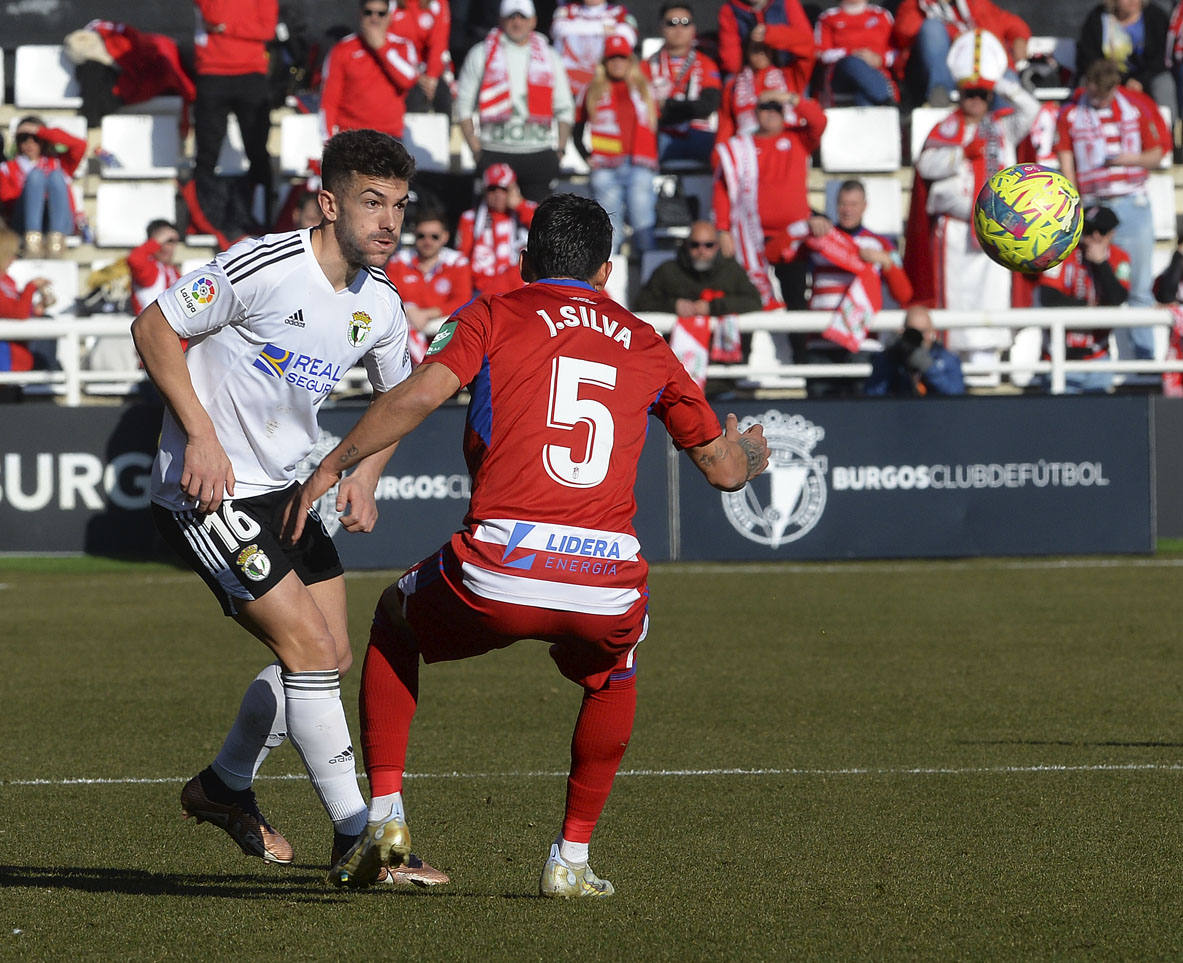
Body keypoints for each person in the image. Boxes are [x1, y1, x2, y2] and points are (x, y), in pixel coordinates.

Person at [284, 192, 771, 896]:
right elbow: (724, 470)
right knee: (615, 671)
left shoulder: (492, 312)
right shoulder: (643, 338)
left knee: (394, 618)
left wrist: (334, 464)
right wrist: (751, 452)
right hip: (604, 578)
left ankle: (385, 820)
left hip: (498, 566)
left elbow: (420, 394)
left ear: (524, 259)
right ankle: (570, 861)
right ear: (606, 271)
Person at [130, 129, 442, 886]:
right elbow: (154, 327)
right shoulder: (267, 265)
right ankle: (359, 838)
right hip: (210, 490)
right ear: (330, 203)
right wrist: (200, 437)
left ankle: (223, 784)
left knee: (329, 656)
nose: (389, 223)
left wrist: (363, 475)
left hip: (287, 488)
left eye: (399, 205)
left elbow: (400, 399)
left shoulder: (383, 305)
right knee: (307, 650)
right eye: (373, 203)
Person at [903, 30, 1039, 380]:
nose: (976, 100)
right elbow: (926, 166)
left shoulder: (1002, 127)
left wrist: (1001, 81)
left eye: (982, 93)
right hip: (957, 230)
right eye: (970, 93)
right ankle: (954, 372)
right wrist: (960, 154)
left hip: (998, 230)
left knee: (992, 302)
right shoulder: (946, 127)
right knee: (957, 303)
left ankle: (988, 369)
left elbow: (1031, 109)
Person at [1056, 58, 1170, 364]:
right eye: (1093, 94)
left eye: (1103, 96)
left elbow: (1159, 153)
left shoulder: (1137, 104)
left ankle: (1145, 367)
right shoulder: (1070, 113)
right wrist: (1073, 206)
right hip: (1093, 209)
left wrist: (1126, 160)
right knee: (1093, 289)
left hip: (1131, 206)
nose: (1097, 102)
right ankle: (1090, 361)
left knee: (1139, 291)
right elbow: (1067, 163)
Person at [796, 179, 913, 397]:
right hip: (821, 343)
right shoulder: (820, 237)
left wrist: (886, 263)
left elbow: (904, 294)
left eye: (853, 204)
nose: (847, 210)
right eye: (843, 204)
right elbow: (776, 254)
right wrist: (805, 226)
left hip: (862, 344)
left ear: (865, 206)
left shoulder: (881, 244)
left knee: (861, 415)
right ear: (835, 204)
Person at [713, 88, 826, 309]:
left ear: (785, 112)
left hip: (793, 238)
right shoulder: (739, 147)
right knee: (748, 304)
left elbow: (819, 121)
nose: (771, 112)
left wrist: (788, 97)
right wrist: (722, 229)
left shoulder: (799, 138)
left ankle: (799, 345)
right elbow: (722, 189)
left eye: (777, 108)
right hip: (749, 238)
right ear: (756, 112)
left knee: (796, 302)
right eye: (766, 107)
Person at [456, 0, 576, 202]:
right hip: (494, 151)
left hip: (538, 154)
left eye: (523, 17)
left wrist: (560, 150)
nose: (517, 22)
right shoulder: (481, 53)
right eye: (512, 16)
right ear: (501, 19)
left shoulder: (550, 56)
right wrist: (477, 151)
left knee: (539, 224)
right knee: (491, 225)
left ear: (534, 21)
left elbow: (565, 108)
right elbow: (463, 106)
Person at [192, 0, 278, 241]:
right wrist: (234, 26)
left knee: (258, 153)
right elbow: (212, 15)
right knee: (206, 155)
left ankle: (260, 220)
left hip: (251, 75)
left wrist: (227, 27)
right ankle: (207, 221)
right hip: (212, 72)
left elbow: (267, 30)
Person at [576, 33, 659, 257]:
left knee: (644, 227)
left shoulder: (644, 89)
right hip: (605, 168)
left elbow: (655, 126)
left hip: (640, 165)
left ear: (630, 61)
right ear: (605, 62)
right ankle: (607, 288)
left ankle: (649, 283)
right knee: (610, 233)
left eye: (622, 58)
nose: (617, 63)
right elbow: (577, 128)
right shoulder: (592, 90)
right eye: (612, 58)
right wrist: (586, 156)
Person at [1037, 204, 1130, 394]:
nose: (1095, 236)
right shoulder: (1061, 253)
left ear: (1111, 234)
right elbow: (1048, 297)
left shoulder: (1120, 257)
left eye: (1101, 231)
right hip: (1060, 355)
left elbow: (1117, 298)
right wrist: (1088, 308)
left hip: (1097, 356)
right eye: (1088, 230)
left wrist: (1101, 264)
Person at [890, 0, 1030, 108]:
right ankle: (941, 95)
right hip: (945, 75)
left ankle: (1004, 133)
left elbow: (1008, 21)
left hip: (983, 72)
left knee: (1008, 79)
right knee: (932, 27)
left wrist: (1019, 38)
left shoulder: (975, 4)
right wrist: (954, 33)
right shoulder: (915, 5)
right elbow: (905, 31)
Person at [63, 19, 196, 129]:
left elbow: (179, 80)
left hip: (165, 76)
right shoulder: (96, 61)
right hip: (148, 82)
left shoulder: (142, 47)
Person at [321, 0, 420, 141]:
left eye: (381, 13)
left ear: (390, 16)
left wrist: (381, 47)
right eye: (368, 13)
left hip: (390, 137)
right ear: (360, 15)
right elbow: (328, 101)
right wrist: (328, 141)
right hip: (351, 136)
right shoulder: (342, 49)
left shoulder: (403, 46)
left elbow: (408, 79)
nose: (374, 18)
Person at [385, 208, 474, 361]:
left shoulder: (457, 262)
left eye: (434, 236)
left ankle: (422, 373)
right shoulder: (399, 261)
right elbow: (390, 297)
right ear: (414, 236)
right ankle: (423, 372)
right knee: (405, 325)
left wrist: (428, 314)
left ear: (445, 237)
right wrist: (409, 309)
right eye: (421, 236)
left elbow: (463, 301)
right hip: (410, 325)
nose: (427, 242)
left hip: (444, 325)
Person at [644, 3, 723, 168]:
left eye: (685, 23)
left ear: (693, 28)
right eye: (671, 23)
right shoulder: (646, 65)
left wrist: (668, 106)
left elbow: (708, 106)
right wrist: (685, 108)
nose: (679, 28)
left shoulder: (706, 63)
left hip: (698, 135)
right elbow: (643, 108)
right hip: (660, 134)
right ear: (661, 28)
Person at [1077, 0, 1174, 131]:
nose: (1133, 1)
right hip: (1108, 77)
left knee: (1164, 83)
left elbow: (1162, 56)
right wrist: (1116, 79)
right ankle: (1085, 132)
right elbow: (1089, 57)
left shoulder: (1154, 15)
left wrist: (1140, 80)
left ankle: (1169, 134)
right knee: (1088, 84)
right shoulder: (1097, 17)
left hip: (1147, 76)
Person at [0, 116, 88, 259]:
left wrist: (41, 131)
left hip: (58, 221)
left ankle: (56, 243)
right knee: (36, 177)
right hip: (24, 223)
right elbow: (8, 202)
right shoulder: (7, 169)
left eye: (35, 138)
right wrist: (33, 192)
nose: (30, 143)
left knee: (55, 177)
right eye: (24, 138)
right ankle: (32, 243)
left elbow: (80, 145)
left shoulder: (59, 163)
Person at [635, 221, 763, 316]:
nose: (701, 251)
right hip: (676, 350)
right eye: (695, 245)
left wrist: (712, 307)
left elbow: (754, 302)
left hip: (724, 349)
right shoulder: (668, 271)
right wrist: (674, 306)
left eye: (708, 245)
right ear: (686, 245)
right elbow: (641, 303)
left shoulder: (732, 270)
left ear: (717, 246)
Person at [457, 163, 537, 296]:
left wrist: (519, 205)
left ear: (513, 190)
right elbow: (462, 260)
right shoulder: (470, 218)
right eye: (492, 189)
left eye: (504, 189)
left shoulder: (528, 210)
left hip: (518, 290)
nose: (498, 194)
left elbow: (544, 228)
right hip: (482, 291)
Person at [865, 304, 965, 396]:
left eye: (923, 332)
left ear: (932, 331)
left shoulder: (947, 359)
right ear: (903, 332)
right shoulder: (889, 359)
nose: (919, 338)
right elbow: (872, 395)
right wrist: (890, 360)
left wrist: (929, 369)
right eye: (913, 333)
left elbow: (956, 395)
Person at [550, 0, 639, 104]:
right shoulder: (567, 10)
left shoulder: (619, 11)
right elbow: (558, 30)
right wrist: (602, 28)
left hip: (604, 87)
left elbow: (628, 36)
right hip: (568, 88)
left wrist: (576, 27)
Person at [814, 0, 899, 108]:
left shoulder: (882, 15)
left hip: (876, 73)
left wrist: (880, 59)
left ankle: (882, 101)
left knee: (864, 97)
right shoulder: (828, 18)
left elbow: (896, 52)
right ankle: (885, 98)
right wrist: (852, 53)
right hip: (841, 75)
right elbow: (821, 54)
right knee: (853, 63)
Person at [717, 0, 815, 92]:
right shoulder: (730, 9)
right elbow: (731, 61)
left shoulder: (786, 2)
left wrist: (771, 35)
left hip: (786, 73)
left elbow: (807, 43)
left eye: (764, 50)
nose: (760, 53)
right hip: (749, 77)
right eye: (757, 50)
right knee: (731, 81)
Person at [716, 37, 800, 143]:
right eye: (755, 49)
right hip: (748, 145)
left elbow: (806, 46)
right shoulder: (733, 84)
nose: (760, 54)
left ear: (772, 51)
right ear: (747, 51)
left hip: (785, 142)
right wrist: (719, 155)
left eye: (765, 49)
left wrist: (771, 33)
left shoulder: (788, 76)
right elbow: (726, 123)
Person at [0, 226, 54, 381]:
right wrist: (31, 286)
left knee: (48, 321)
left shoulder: (8, 281)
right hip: (8, 360)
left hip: (20, 354)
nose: (14, 259)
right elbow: (17, 313)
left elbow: (20, 310)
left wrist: (37, 309)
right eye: (11, 254)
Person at [388, 0, 453, 113]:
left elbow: (439, 42)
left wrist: (431, 77)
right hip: (398, 69)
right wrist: (414, 76)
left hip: (427, 71)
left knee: (442, 95)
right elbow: (386, 45)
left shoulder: (438, 3)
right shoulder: (390, 4)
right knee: (412, 95)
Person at [129, 220, 184, 316]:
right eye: (163, 241)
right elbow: (134, 259)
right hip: (152, 327)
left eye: (172, 242)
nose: (167, 248)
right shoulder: (150, 267)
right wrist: (155, 242)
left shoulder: (172, 270)